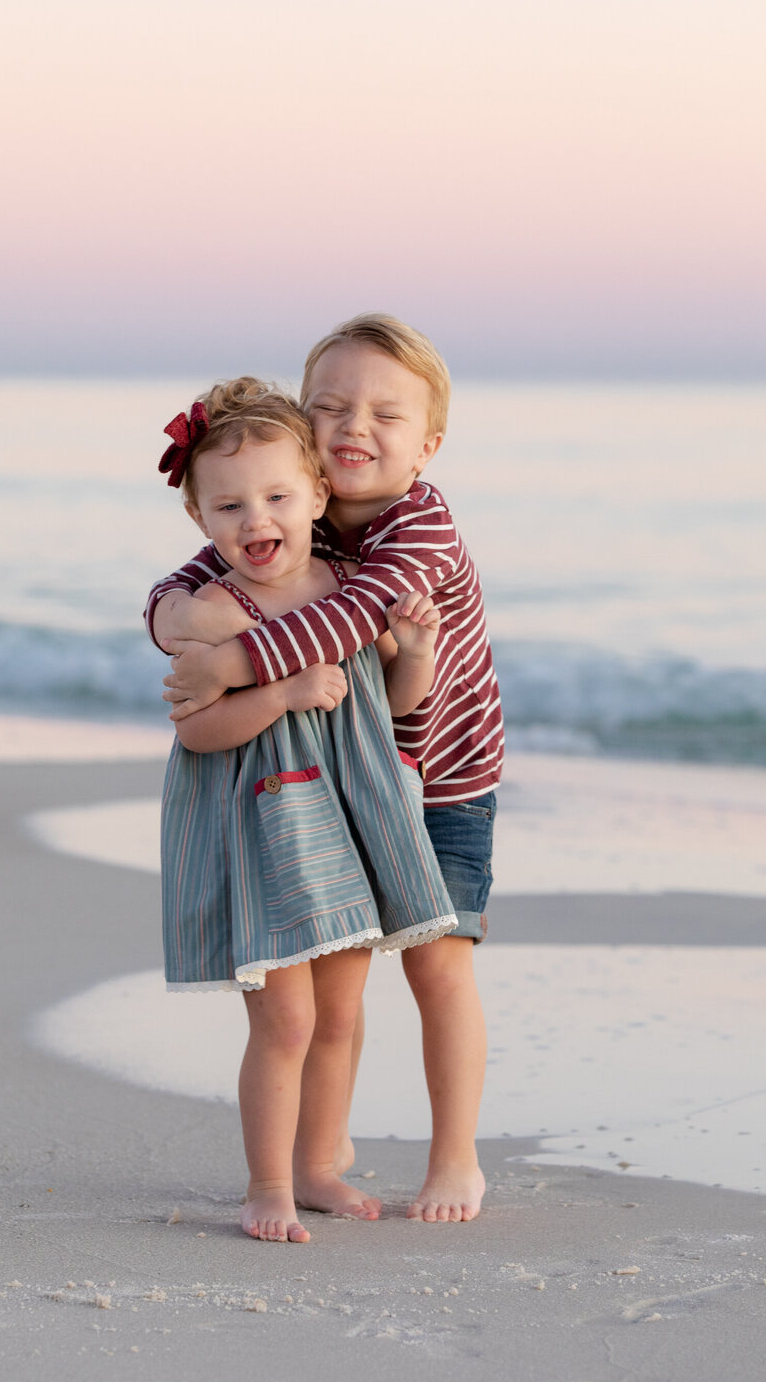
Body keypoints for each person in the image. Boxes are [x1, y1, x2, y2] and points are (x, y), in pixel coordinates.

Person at [149, 316, 503, 1223]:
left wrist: (224, 665)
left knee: (438, 965)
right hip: (356, 784)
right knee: (334, 984)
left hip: (444, 774)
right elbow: (183, 584)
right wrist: (171, 621)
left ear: (427, 445)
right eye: (331, 406)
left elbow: (341, 634)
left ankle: (456, 1158)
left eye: (386, 413)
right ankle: (314, 1151)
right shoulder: (289, 513)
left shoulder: (416, 527)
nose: (355, 426)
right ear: (306, 435)